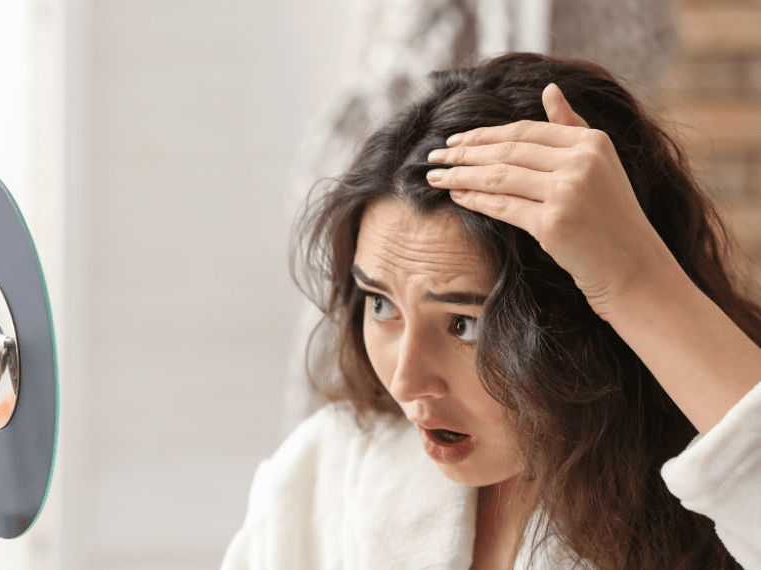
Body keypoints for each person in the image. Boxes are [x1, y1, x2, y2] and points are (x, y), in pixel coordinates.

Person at [221, 53, 761, 570]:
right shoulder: (323, 476)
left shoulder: (707, 516)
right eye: (381, 304)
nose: (407, 382)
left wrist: (638, 279)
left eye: (464, 324)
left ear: (588, 325)